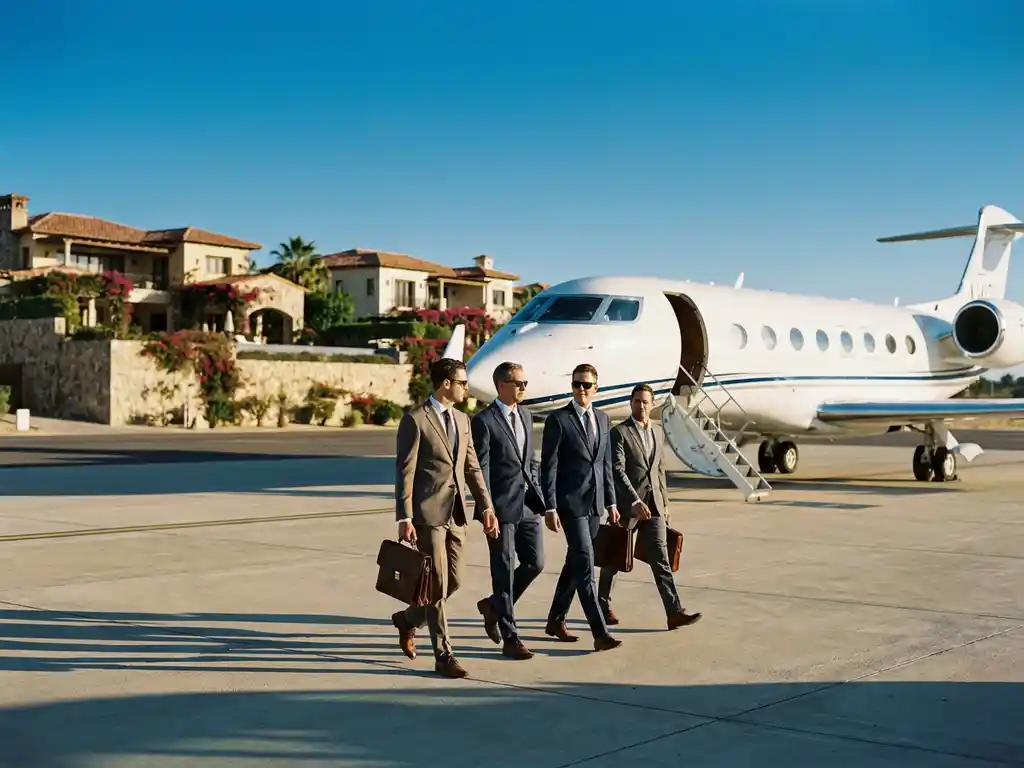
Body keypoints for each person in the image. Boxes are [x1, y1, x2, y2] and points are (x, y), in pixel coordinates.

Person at [391, 357, 497, 678]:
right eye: (462, 382)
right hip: (427, 515)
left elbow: (472, 467)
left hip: (457, 515)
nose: (466, 387)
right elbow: (405, 472)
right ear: (446, 384)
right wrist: (404, 517)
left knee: (454, 581)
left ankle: (408, 619)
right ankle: (444, 654)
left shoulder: (464, 421)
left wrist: (487, 506)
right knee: (437, 584)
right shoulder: (415, 420)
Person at [598, 383, 702, 630]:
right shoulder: (619, 433)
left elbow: (660, 470)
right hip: (627, 506)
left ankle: (674, 612)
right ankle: (602, 605)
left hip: (653, 505)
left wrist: (664, 503)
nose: (641, 406)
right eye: (637, 401)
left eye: (645, 401)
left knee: (661, 559)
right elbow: (617, 470)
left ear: (652, 404)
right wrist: (634, 501)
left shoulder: (657, 431)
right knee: (614, 558)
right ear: (631, 403)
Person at [540, 362, 622, 652]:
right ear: (572, 387)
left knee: (573, 563)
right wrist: (549, 507)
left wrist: (611, 501)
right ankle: (600, 634)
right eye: (577, 384)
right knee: (586, 566)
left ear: (596, 388)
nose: (582, 389)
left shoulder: (602, 419)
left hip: (596, 505)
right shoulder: (558, 420)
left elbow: (605, 465)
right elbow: (548, 468)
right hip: (570, 505)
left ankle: (555, 620)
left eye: (587, 385)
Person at [471, 361, 546, 660]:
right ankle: (510, 637)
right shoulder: (484, 421)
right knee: (502, 571)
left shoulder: (526, 416)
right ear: (501, 385)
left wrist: (542, 496)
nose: (524, 387)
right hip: (500, 508)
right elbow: (481, 470)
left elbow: (530, 461)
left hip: (527, 505)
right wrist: (486, 509)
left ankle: (493, 606)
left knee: (536, 562)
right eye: (519, 383)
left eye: (525, 383)